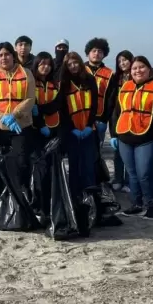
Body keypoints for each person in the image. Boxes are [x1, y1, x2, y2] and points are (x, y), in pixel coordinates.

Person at [109, 55, 153, 219]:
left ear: (149, 69)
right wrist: (114, 134)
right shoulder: (125, 86)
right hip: (124, 136)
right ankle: (136, 204)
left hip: (147, 137)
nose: (138, 70)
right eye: (134, 68)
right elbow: (116, 112)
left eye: (141, 67)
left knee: (144, 172)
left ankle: (152, 205)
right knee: (131, 174)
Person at [0, 41, 36, 186]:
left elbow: (30, 97)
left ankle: (20, 194)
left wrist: (14, 115)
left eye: (7, 54)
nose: (3, 58)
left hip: (21, 126)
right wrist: (2, 117)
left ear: (13, 56)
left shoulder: (26, 73)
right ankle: (2, 194)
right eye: (0, 55)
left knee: (21, 162)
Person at [58, 51, 100, 196]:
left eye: (75, 62)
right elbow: (62, 109)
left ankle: (90, 194)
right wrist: (72, 128)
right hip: (72, 131)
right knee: (74, 163)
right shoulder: (63, 83)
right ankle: (74, 195)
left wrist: (89, 126)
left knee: (89, 163)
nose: (73, 66)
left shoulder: (89, 79)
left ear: (80, 63)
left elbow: (95, 105)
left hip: (88, 129)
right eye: (69, 64)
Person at [109, 50, 134, 191]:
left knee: (130, 151)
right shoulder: (116, 78)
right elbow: (111, 100)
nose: (122, 63)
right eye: (119, 61)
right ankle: (118, 178)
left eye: (125, 60)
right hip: (118, 117)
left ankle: (129, 181)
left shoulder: (137, 75)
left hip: (134, 118)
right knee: (117, 151)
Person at [83, 38, 113, 143]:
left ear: (104, 54)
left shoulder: (110, 74)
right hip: (80, 116)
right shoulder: (79, 69)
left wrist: (105, 119)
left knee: (96, 150)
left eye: (100, 51)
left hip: (99, 118)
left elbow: (111, 99)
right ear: (88, 53)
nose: (97, 53)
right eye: (94, 51)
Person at [31, 52, 60, 144]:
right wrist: (40, 125)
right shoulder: (31, 82)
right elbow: (30, 106)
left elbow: (58, 104)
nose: (46, 67)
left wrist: (39, 108)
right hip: (35, 127)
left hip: (54, 126)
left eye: (49, 64)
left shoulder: (55, 84)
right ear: (36, 65)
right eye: (43, 64)